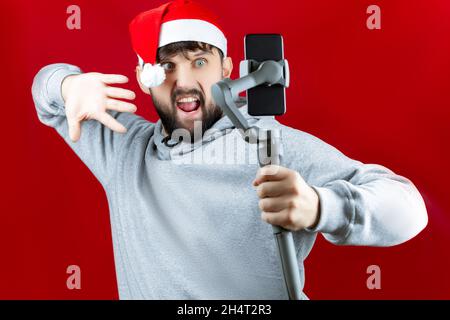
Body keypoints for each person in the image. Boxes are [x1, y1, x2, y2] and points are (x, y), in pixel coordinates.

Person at [31, 0, 427, 299]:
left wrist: (321, 207)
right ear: (142, 77)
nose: (183, 82)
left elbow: (409, 210)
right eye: (165, 66)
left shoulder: (272, 146)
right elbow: (44, 90)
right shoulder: (123, 148)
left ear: (227, 69)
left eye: (199, 61)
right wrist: (68, 86)